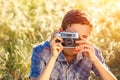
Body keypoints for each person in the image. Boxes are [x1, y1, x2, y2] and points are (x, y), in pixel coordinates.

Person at [29, 9, 117, 80]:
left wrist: (95, 60)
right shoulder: (41, 51)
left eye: (84, 37)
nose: (77, 41)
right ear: (61, 32)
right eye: (73, 36)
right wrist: (53, 57)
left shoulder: (91, 52)